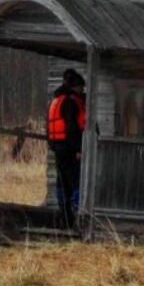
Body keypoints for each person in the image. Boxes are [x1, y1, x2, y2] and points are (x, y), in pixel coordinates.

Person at [47, 67, 86, 228]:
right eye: (80, 87)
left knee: (62, 185)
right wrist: (78, 149)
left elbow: (48, 129)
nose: (81, 90)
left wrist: (54, 147)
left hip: (58, 149)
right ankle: (77, 219)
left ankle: (65, 218)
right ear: (74, 87)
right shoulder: (71, 103)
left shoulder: (55, 102)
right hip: (70, 150)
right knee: (76, 184)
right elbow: (72, 129)